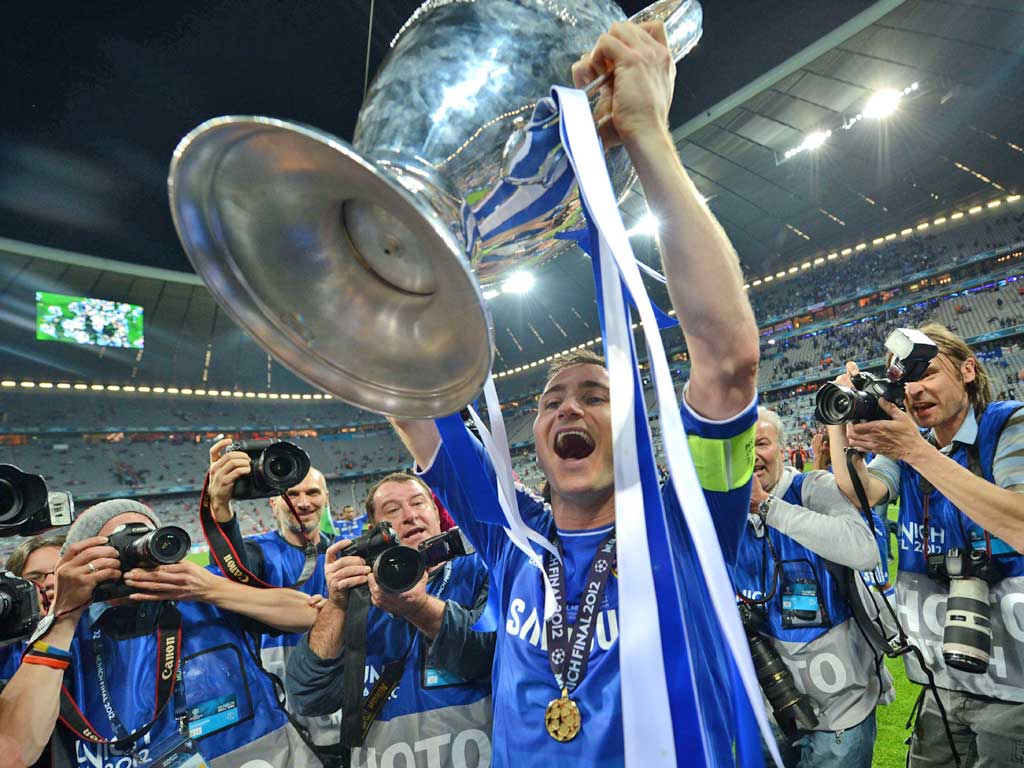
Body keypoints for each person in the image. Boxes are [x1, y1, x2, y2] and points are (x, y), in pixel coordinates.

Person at [390, 19, 760, 767]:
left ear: (631, 419)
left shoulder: (692, 522)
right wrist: (397, 247)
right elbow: (405, 399)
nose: (568, 406)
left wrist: (647, 132)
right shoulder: (512, 534)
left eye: (596, 393)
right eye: (553, 398)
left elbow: (727, 363)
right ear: (532, 437)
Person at [828, 322, 1024, 767]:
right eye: (905, 380)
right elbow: (859, 491)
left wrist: (915, 451)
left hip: (1016, 690)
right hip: (942, 680)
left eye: (927, 373)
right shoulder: (910, 447)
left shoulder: (1010, 424)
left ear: (968, 370)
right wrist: (843, 425)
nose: (914, 390)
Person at [1, 498, 324, 768]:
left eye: (147, 537)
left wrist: (212, 588)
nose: (140, 552)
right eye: (120, 543)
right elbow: (11, 753)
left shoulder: (196, 591)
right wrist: (65, 615)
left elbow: (311, 613)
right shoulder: (54, 636)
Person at [285, 472, 494, 768]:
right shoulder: (358, 596)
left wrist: (417, 608)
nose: (410, 516)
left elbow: (486, 656)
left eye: (418, 503)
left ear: (436, 511)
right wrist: (337, 605)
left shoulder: (482, 567)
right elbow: (307, 697)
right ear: (377, 529)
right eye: (393, 510)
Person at [739, 407, 890, 767]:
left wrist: (768, 507)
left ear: (782, 447)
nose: (753, 455)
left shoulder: (812, 488)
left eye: (761, 443)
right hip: (773, 709)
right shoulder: (725, 518)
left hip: (839, 714)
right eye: (741, 448)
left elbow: (865, 550)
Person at [204, 437, 343, 755]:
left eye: (312, 492)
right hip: (281, 706)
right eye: (292, 493)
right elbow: (231, 577)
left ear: (326, 498)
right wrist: (220, 506)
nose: (304, 502)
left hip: (340, 697)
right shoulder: (258, 553)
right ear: (273, 501)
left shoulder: (345, 550)